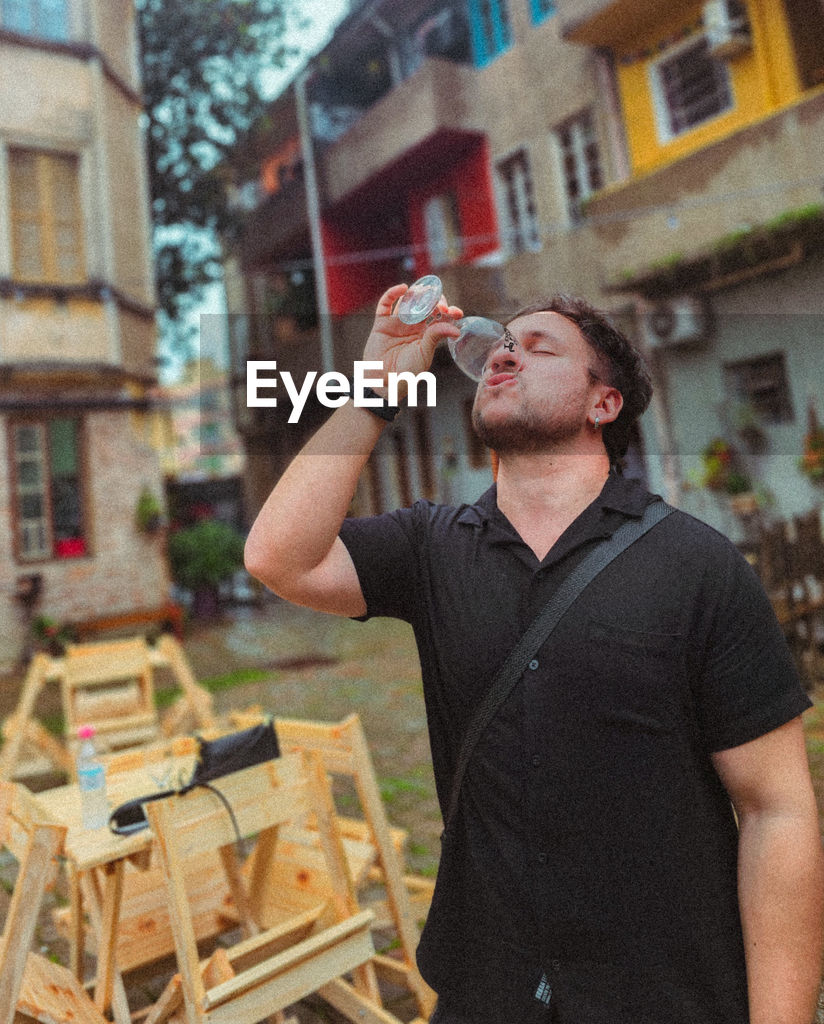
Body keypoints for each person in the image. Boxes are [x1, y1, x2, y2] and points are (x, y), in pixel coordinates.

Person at [244, 285, 824, 1023]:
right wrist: (375, 388)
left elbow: (776, 810)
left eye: (541, 346)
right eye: (502, 345)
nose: (506, 352)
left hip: (664, 999)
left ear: (602, 404)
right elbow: (277, 558)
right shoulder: (432, 546)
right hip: (488, 995)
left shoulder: (697, 565)